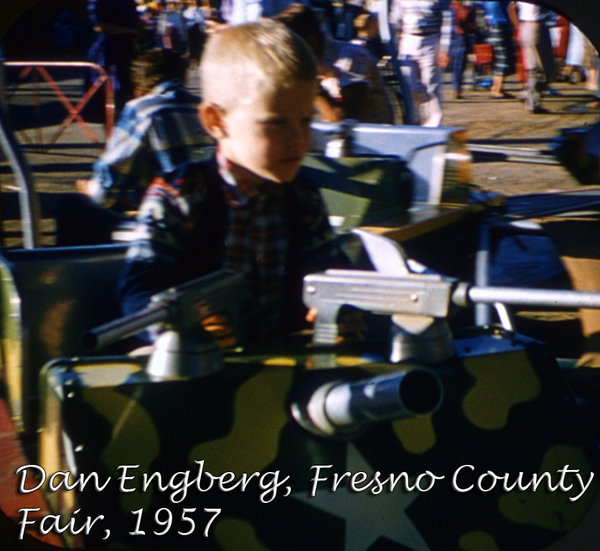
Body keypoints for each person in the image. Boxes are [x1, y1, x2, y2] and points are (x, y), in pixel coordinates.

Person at [118, 20, 350, 344]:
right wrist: (176, 324)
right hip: (193, 372)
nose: (298, 139)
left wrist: (341, 308)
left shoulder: (304, 198)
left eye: (305, 120)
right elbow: (139, 288)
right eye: (276, 123)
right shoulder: (180, 195)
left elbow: (331, 270)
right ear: (216, 122)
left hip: (277, 369)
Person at [57, 48, 209, 245]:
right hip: (206, 219)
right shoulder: (203, 108)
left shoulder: (142, 109)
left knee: (71, 206)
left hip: (169, 224)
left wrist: (88, 188)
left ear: (138, 88)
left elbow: (106, 192)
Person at [389, 0, 453, 126]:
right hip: (407, 40)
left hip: (431, 40)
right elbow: (394, 20)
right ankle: (415, 120)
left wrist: (444, 49)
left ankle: (433, 125)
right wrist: (394, 42)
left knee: (431, 85)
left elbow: (447, 22)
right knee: (409, 85)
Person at [481, 0, 515, 99]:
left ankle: (497, 88)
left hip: (492, 25)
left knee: (498, 59)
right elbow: (510, 8)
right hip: (501, 24)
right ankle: (497, 89)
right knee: (503, 58)